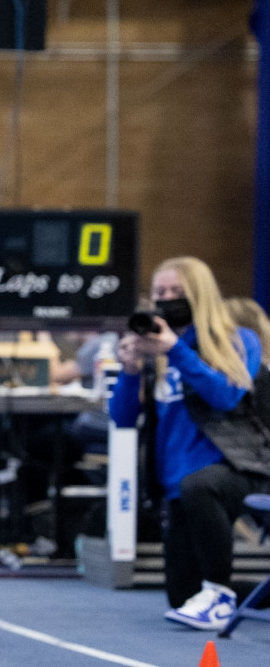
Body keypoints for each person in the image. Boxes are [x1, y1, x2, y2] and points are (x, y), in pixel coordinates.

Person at [111, 257, 270, 632]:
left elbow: (227, 397)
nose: (167, 299)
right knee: (181, 596)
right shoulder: (154, 353)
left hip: (237, 469)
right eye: (160, 292)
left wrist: (177, 351)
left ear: (199, 296)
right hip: (177, 482)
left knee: (200, 484)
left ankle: (217, 592)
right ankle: (222, 593)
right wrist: (131, 371)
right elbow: (121, 419)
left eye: (177, 293)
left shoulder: (237, 341)